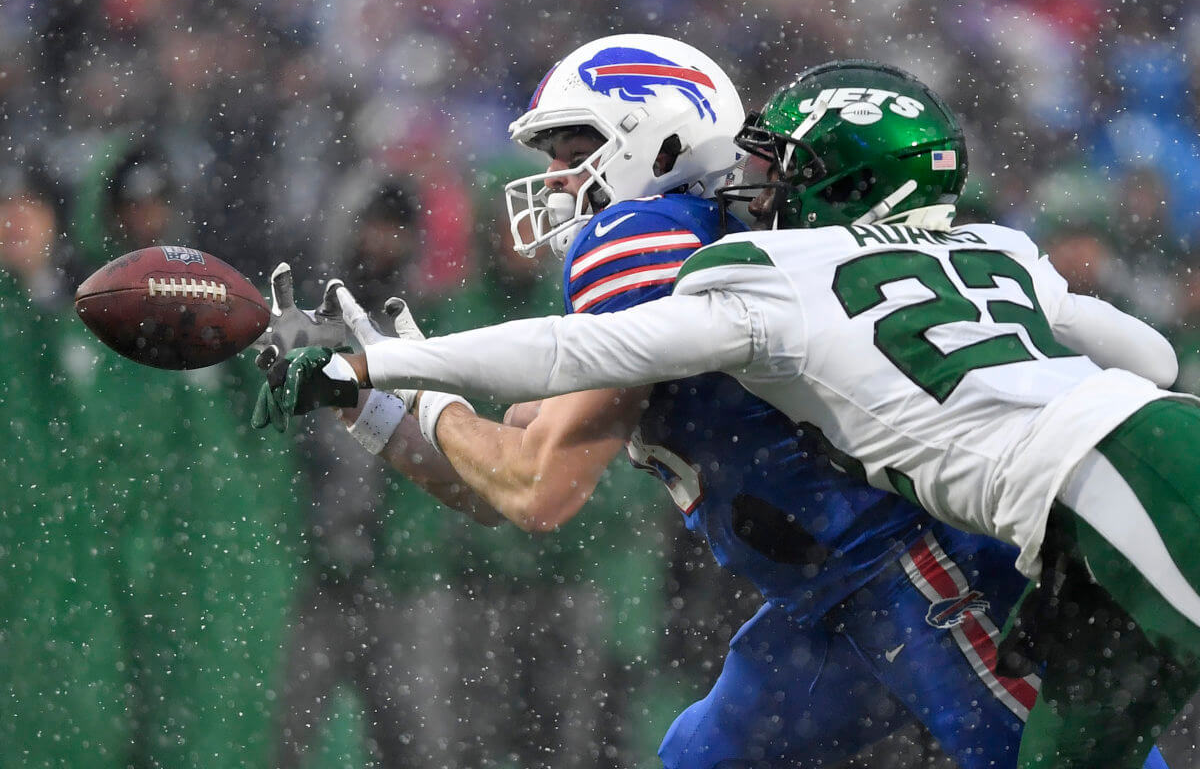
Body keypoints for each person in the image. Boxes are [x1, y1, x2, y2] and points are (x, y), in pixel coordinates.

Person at [253, 44, 1175, 767]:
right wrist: (372, 409)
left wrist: (390, 373)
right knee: (705, 754)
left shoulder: (650, 237)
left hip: (915, 571)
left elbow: (536, 487)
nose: (557, 182)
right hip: (827, 598)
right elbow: (499, 465)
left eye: (577, 152)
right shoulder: (726, 241)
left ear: (654, 141)